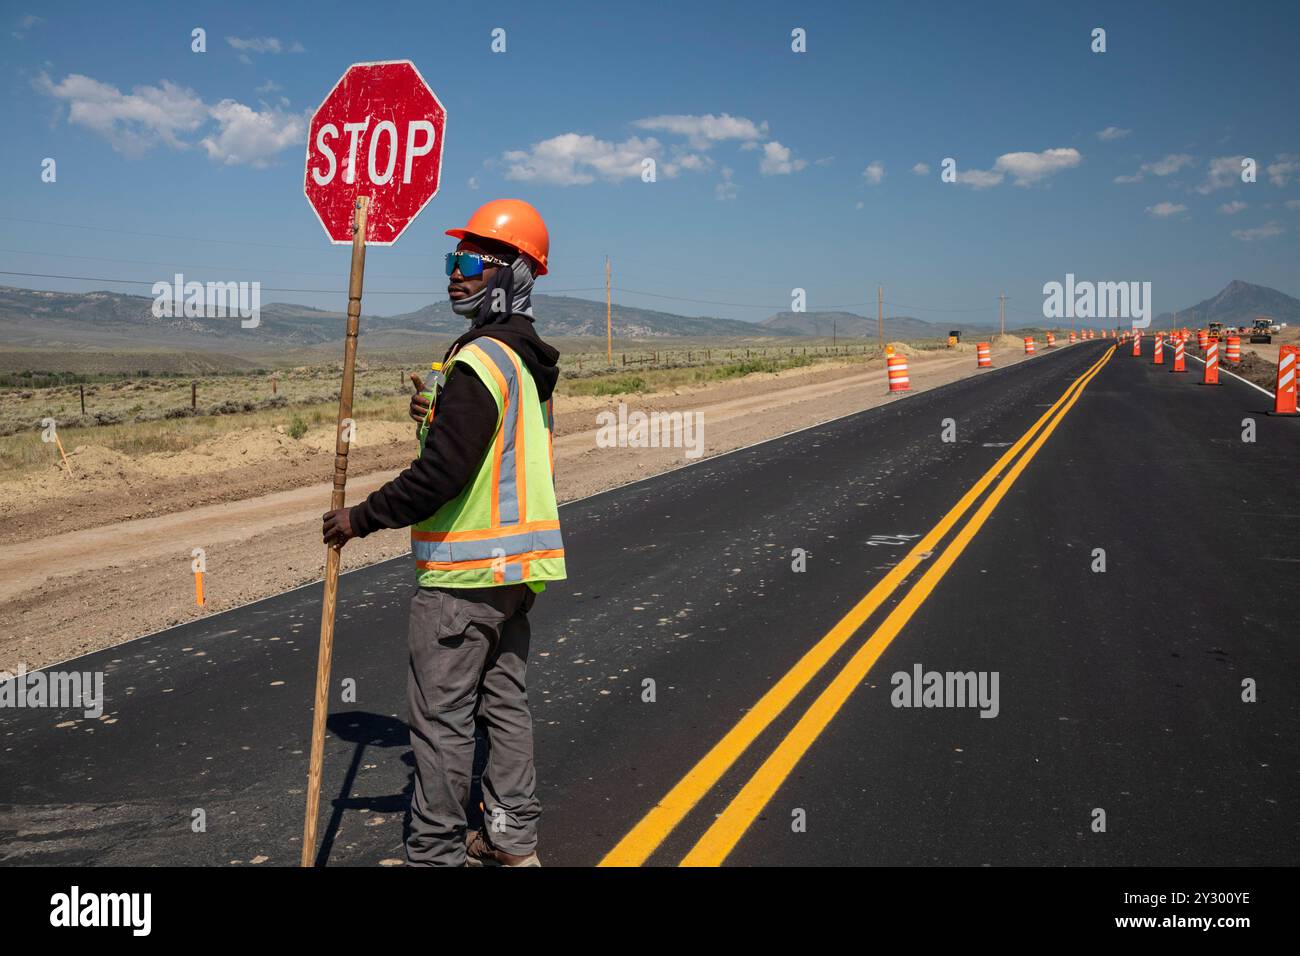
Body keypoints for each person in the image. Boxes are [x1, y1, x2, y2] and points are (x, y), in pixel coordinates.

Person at [322, 199, 565, 866]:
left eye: (469, 264)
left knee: (441, 724)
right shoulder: (523, 362)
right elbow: (495, 454)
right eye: (451, 263)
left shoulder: (480, 359)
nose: (454, 275)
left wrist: (358, 518)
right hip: (516, 574)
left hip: (463, 578)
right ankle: (514, 837)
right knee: (504, 704)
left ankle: (434, 854)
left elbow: (442, 477)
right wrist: (437, 416)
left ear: (511, 274)